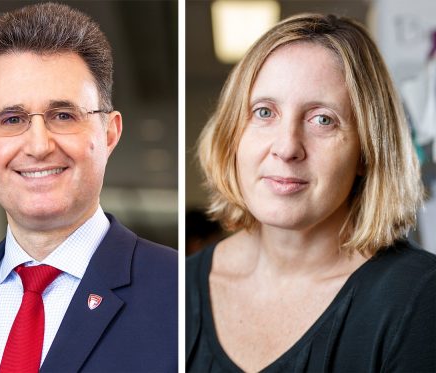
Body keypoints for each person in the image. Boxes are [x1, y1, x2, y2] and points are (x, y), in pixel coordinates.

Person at [0, 3, 178, 372]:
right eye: (12, 119)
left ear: (109, 132)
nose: (39, 145)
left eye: (63, 116)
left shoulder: (177, 296)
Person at [187, 13, 436, 372]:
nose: (287, 147)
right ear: (233, 135)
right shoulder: (173, 289)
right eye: (264, 112)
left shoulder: (419, 299)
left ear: (367, 151)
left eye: (323, 119)